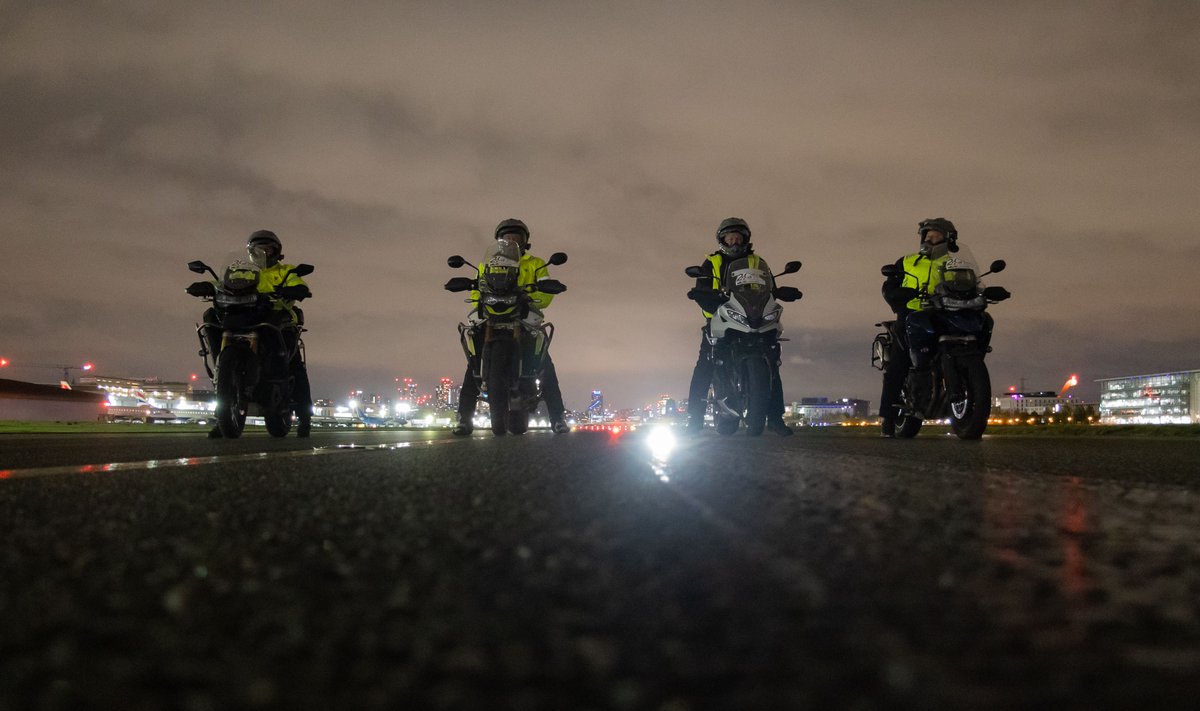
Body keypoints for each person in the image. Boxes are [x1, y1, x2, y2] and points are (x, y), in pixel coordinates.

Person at [192, 230, 313, 438]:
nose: (263, 252)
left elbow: (299, 284)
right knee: (211, 315)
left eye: (268, 249)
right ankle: (223, 384)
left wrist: (296, 290)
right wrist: (207, 286)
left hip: (278, 317)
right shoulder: (241, 271)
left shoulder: (285, 271)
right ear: (250, 252)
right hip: (245, 314)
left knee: (294, 365)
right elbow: (222, 283)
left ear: (277, 251)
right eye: (258, 249)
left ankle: (304, 416)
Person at [454, 218, 570, 435]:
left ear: (525, 241)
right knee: (474, 362)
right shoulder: (486, 264)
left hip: (524, 313)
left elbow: (546, 291)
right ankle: (463, 419)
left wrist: (537, 296)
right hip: (493, 311)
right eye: (506, 238)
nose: (511, 241)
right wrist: (474, 294)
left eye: (516, 238)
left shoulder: (536, 263)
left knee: (545, 363)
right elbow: (476, 288)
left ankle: (558, 418)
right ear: (499, 240)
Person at [685, 217, 793, 436]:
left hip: (754, 317)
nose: (734, 242)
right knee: (704, 366)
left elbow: (769, 286)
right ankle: (694, 420)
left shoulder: (756, 261)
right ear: (722, 239)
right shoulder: (712, 262)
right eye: (730, 238)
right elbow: (703, 283)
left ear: (745, 239)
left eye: (738, 238)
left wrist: (782, 292)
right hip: (721, 319)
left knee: (772, 364)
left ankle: (774, 419)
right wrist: (703, 294)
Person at [878, 217, 958, 437]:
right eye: (928, 236)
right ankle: (888, 417)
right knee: (899, 361)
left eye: (936, 236)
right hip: (913, 313)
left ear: (948, 238)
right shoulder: (907, 261)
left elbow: (969, 282)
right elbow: (889, 286)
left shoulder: (955, 264)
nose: (930, 239)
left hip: (945, 313)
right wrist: (897, 296)